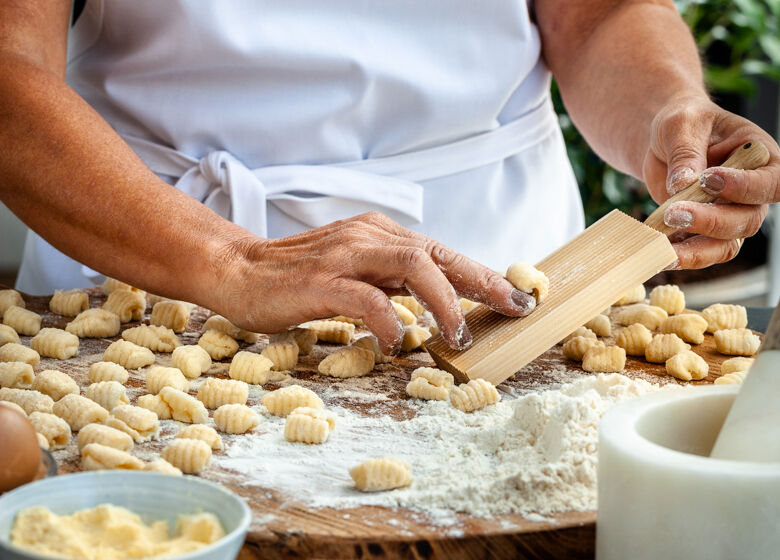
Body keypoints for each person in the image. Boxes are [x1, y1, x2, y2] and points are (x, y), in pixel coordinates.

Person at [1, 1, 778, 355]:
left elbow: (598, 14)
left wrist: (668, 105)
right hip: (151, 264)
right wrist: (230, 259)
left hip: (502, 279)